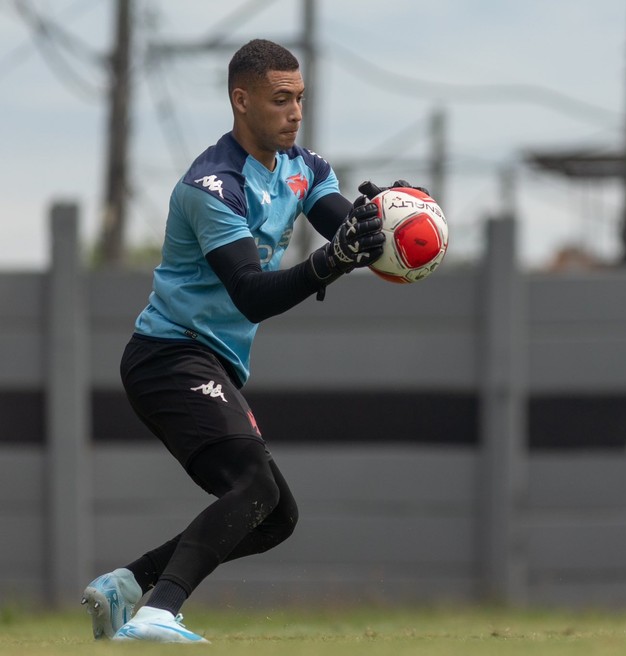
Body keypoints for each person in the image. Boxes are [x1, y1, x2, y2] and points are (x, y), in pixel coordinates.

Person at [80, 38, 423, 643]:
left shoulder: (306, 168)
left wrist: (386, 222)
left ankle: (127, 587)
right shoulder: (210, 186)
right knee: (255, 487)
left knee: (274, 516)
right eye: (280, 99)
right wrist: (327, 265)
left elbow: (345, 230)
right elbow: (250, 291)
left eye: (301, 99)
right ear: (242, 101)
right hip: (168, 357)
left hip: (206, 362)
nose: (295, 112)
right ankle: (159, 614)